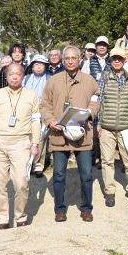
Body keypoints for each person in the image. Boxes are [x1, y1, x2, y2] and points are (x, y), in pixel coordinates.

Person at [40, 46, 101, 223]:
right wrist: (50, 120)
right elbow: (44, 105)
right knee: (59, 174)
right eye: (67, 58)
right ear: (62, 60)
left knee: (87, 175)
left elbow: (96, 99)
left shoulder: (89, 81)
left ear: (80, 60)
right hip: (59, 134)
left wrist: (89, 113)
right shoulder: (53, 81)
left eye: (74, 58)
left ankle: (86, 208)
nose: (70, 61)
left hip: (82, 134)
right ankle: (60, 209)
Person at [0, 63, 41, 230]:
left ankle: (21, 217)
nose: (14, 77)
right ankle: (2, 220)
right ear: (6, 77)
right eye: (11, 74)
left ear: (23, 76)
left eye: (18, 74)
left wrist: (35, 143)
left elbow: (36, 121)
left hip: (21, 142)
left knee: (21, 182)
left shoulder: (31, 95)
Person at [96, 47, 128, 207]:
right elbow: (99, 101)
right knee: (107, 161)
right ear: (110, 60)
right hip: (106, 128)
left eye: (119, 59)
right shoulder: (104, 78)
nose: (117, 61)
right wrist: (98, 123)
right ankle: (110, 191)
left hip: (126, 128)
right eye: (114, 58)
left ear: (124, 60)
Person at [22, 54, 51, 177]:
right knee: (27, 137)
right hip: (27, 111)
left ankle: (38, 165)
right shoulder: (26, 78)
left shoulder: (50, 78)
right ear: (32, 66)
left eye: (42, 65)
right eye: (37, 64)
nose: (39, 67)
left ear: (45, 66)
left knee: (41, 138)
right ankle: (27, 163)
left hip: (43, 109)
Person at [89, 36, 111, 167]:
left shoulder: (112, 60)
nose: (102, 47)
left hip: (108, 98)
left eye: (104, 45)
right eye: (99, 44)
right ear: (96, 46)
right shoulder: (89, 61)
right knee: (92, 129)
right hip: (93, 98)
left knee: (105, 128)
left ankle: (104, 158)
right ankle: (92, 157)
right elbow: (85, 78)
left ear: (107, 47)